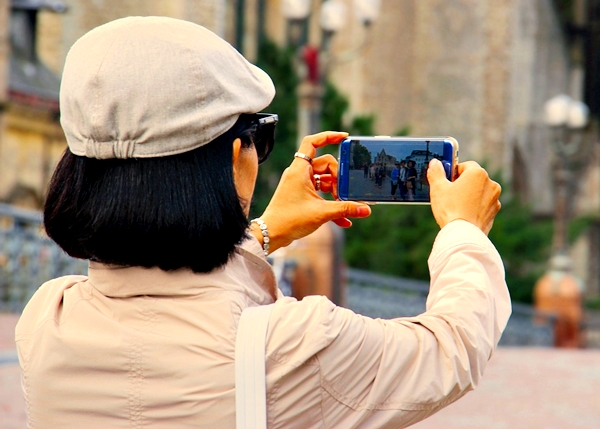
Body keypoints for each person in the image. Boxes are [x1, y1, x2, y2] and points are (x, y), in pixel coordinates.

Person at [15, 17, 510, 429]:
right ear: (236, 156)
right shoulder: (291, 346)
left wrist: (264, 231)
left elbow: (168, 302)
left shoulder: (46, 321)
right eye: (259, 135)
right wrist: (463, 230)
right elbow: (452, 348)